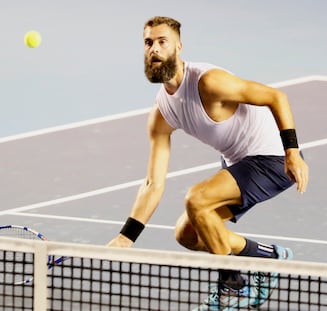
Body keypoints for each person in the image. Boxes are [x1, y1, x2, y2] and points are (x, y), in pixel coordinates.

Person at [108, 16, 309, 310]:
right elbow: (153, 183)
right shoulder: (162, 112)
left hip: (273, 157)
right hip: (239, 163)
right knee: (187, 233)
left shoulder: (209, 82)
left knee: (197, 199)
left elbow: (275, 96)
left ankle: (233, 288)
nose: (154, 49)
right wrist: (126, 238)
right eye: (148, 42)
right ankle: (268, 258)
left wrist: (292, 151)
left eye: (162, 42)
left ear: (178, 46)